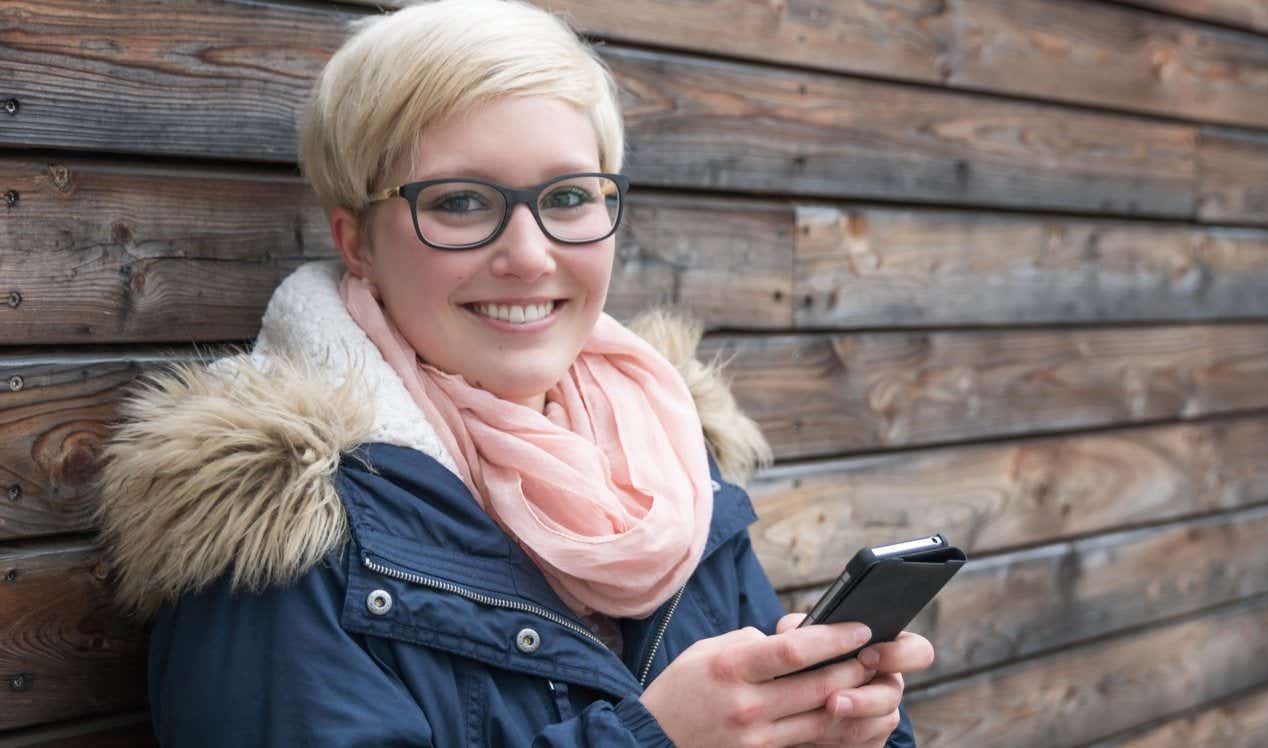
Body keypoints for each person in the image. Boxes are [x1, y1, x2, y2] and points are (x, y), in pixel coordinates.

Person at [93, 0, 934, 745]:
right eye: (459, 202)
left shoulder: (670, 461)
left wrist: (837, 726)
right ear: (357, 242)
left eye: (568, 197)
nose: (530, 258)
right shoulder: (279, 534)